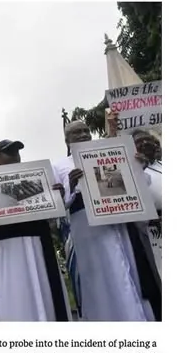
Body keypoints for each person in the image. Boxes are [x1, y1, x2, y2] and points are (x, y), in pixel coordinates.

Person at [60, 118, 160, 321]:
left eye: (85, 130)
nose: (82, 135)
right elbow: (59, 205)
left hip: (119, 222)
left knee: (129, 272)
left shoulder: (111, 152)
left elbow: (141, 183)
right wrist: (70, 185)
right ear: (66, 140)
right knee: (101, 280)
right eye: (75, 132)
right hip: (87, 229)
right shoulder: (59, 166)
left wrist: (137, 165)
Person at [0, 140, 70, 320]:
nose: (15, 155)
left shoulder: (37, 178)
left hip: (40, 241)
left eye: (16, 151)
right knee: (17, 290)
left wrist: (57, 197)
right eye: (9, 152)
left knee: (46, 288)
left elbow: (52, 217)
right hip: (11, 244)